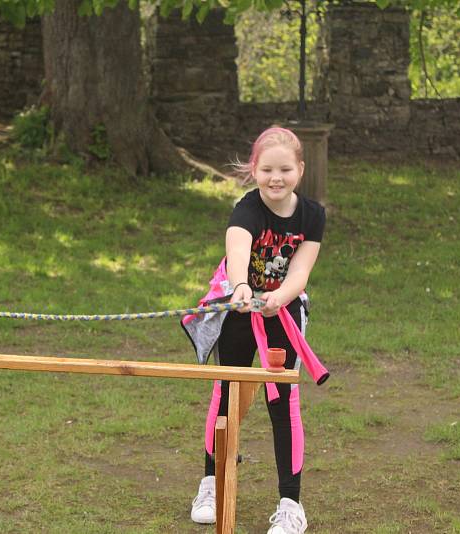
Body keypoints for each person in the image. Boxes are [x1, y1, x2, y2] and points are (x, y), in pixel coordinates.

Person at [188, 127, 325, 534]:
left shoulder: (312, 215)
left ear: (300, 170)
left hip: (281, 312)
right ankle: (211, 483)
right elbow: (237, 254)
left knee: (283, 402)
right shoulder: (246, 209)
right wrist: (244, 287)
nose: (276, 177)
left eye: (285, 169)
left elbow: (301, 270)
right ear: (254, 170)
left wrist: (279, 297)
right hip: (239, 309)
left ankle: (290, 504)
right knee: (227, 393)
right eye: (267, 169)